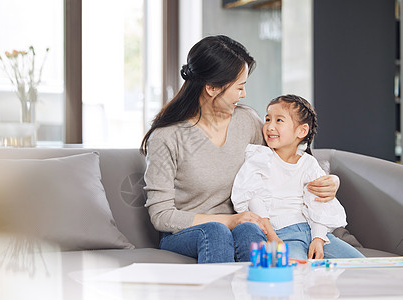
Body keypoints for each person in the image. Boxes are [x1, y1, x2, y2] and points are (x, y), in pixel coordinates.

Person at [140, 35, 340, 263]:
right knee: (216, 231)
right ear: (212, 88)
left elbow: (283, 163)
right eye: (239, 87)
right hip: (188, 233)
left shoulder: (247, 121)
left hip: (243, 224)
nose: (244, 95)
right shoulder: (167, 137)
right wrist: (230, 220)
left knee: (248, 232)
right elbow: (162, 216)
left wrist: (331, 181)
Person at [231, 94, 364, 260]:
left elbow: (319, 203)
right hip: (282, 235)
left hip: (313, 232)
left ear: (301, 131)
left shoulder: (309, 163)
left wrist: (318, 239)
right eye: (267, 119)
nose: (270, 126)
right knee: (297, 274)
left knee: (359, 264)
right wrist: (272, 237)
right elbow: (253, 199)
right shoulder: (260, 158)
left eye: (279, 120)